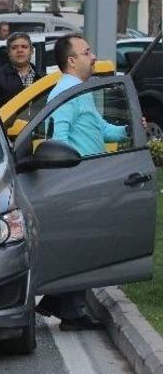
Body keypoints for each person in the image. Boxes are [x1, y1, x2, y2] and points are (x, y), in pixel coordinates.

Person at [35, 34, 133, 331]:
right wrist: (70, 175)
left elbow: (99, 129)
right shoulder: (64, 94)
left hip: (91, 177)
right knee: (81, 244)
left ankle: (55, 299)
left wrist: (128, 129)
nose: (93, 56)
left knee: (83, 243)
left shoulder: (81, 91)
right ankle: (72, 314)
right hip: (79, 180)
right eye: (87, 51)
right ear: (71, 60)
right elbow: (59, 139)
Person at [0, 32, 42, 107]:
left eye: (24, 47)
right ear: (8, 52)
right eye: (14, 48)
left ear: (31, 51)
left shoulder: (42, 77)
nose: (19, 50)